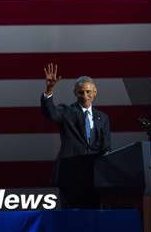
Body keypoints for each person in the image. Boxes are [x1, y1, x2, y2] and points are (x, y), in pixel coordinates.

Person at [40, 63, 111, 208]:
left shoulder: (102, 118)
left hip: (94, 178)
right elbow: (51, 112)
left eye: (88, 92)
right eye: (81, 92)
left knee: (93, 220)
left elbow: (106, 148)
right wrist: (49, 90)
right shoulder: (67, 112)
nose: (85, 96)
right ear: (75, 93)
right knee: (69, 220)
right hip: (70, 177)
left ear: (95, 92)